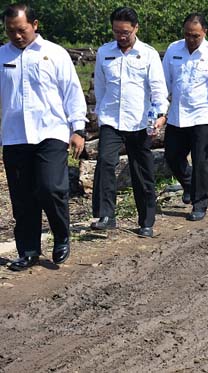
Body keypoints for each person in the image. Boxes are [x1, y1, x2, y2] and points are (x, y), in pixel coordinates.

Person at [0, 3, 87, 271]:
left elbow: (72, 91)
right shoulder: (2, 55)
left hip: (50, 132)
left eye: (21, 30)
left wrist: (78, 129)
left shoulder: (54, 54)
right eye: (10, 31)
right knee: (23, 198)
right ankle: (28, 250)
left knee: (51, 188)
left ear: (35, 25)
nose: (16, 36)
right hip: (15, 136)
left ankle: (61, 235)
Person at [91, 6, 168, 238]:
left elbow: (158, 90)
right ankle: (106, 215)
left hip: (140, 122)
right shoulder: (105, 53)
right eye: (116, 32)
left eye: (125, 32)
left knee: (141, 170)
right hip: (111, 120)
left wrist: (159, 115)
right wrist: (100, 113)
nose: (121, 36)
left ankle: (146, 220)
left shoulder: (148, 54)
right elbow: (101, 88)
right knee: (105, 162)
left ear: (136, 28)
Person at [162, 13, 208, 221]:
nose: (190, 40)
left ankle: (200, 202)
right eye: (187, 35)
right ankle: (191, 185)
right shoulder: (173, 49)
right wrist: (158, 110)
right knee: (172, 156)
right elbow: (163, 82)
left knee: (201, 161)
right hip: (177, 114)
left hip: (202, 115)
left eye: (195, 36)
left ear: (204, 33)